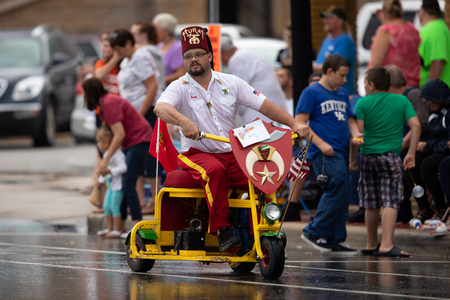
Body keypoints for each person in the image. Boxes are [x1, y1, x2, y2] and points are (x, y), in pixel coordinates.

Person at [154, 26, 309, 252]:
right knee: (215, 171)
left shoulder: (232, 82)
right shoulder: (179, 86)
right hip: (195, 154)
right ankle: (222, 230)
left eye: (198, 54)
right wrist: (184, 122)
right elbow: (161, 108)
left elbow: (264, 105)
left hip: (232, 153)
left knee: (260, 174)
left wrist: (293, 123)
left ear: (210, 56)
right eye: (188, 56)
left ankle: (262, 227)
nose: (193, 60)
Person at [296, 54, 362, 255]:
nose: (344, 80)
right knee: (335, 189)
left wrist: (356, 134)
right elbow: (300, 123)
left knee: (343, 194)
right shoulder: (311, 92)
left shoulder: (342, 93)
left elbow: (350, 120)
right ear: (329, 71)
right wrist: (321, 143)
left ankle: (335, 238)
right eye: (342, 76)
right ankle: (314, 231)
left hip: (341, 151)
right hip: (323, 152)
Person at [355, 67, 420, 257]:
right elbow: (415, 125)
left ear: (372, 85)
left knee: (371, 201)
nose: (364, 86)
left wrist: (353, 159)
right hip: (390, 156)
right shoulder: (401, 100)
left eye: (365, 82)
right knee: (391, 198)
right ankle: (387, 244)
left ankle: (371, 243)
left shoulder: (362, 103)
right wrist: (412, 153)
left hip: (367, 156)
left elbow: (358, 135)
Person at [82, 77, 152, 234]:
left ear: (91, 93)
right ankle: (119, 227)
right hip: (131, 142)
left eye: (85, 94)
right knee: (125, 182)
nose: (84, 98)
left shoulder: (108, 103)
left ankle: (136, 226)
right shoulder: (104, 105)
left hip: (139, 139)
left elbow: (119, 134)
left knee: (128, 182)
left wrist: (106, 159)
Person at [110, 28, 162, 215]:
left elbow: (152, 86)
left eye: (120, 49)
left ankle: (155, 203)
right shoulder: (126, 59)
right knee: (135, 160)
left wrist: (139, 114)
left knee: (150, 159)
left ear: (129, 43)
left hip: (145, 114)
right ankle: (140, 202)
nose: (118, 53)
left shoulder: (141, 57)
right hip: (133, 116)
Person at [404, 79, 450, 223]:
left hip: (444, 151)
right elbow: (433, 137)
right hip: (436, 147)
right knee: (410, 164)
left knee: (428, 165)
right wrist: (423, 145)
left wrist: (427, 146)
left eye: (429, 100)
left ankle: (441, 207)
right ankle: (424, 207)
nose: (428, 104)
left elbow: (448, 143)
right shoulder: (434, 114)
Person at [221, 36, 287, 125]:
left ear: (223, 53)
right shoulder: (244, 54)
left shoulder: (237, 59)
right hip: (268, 115)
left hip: (262, 118)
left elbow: (235, 91)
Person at [368, 0, 421, 87]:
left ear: (384, 13)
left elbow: (376, 63)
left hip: (392, 87)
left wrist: (369, 84)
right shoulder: (412, 29)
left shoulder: (386, 31)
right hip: (412, 86)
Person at [313, 5, 356, 95]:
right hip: (327, 92)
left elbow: (337, 66)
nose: (325, 21)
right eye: (325, 18)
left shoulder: (345, 40)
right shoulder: (327, 40)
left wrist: (311, 67)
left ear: (340, 21)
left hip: (342, 93)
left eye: (329, 18)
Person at [96, 123, 127, 238]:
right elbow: (104, 170)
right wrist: (100, 179)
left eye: (100, 142)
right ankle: (110, 228)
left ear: (107, 142)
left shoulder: (117, 154)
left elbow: (124, 167)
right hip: (110, 185)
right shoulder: (106, 155)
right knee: (106, 207)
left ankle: (117, 230)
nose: (98, 144)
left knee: (115, 207)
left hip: (118, 187)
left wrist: (111, 171)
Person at [418, 0, 450, 88]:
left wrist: (428, 92)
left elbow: (437, 61)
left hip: (437, 97)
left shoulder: (434, 30)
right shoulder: (438, 27)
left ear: (422, 12)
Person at [131, 21, 166, 91]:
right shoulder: (154, 50)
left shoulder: (145, 52)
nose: (130, 37)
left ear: (143, 35)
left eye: (133, 34)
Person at [153, 13, 185, 86]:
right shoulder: (158, 46)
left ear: (166, 31)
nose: (153, 33)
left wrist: (157, 81)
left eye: (156, 29)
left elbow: (181, 74)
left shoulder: (178, 48)